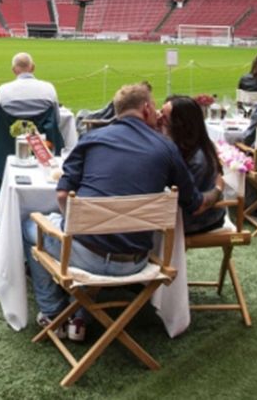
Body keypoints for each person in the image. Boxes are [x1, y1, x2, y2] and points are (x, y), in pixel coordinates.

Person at [22, 83, 219, 342]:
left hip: (86, 258)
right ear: (146, 108)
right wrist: (218, 190)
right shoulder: (166, 147)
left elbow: (61, 195)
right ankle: (79, 316)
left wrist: (74, 224)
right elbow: (194, 203)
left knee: (30, 224)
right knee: (89, 236)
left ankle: (53, 312)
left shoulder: (92, 138)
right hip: (136, 261)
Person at [161, 95, 227, 235]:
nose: (159, 118)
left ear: (179, 124)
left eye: (164, 117)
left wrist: (218, 189)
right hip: (183, 212)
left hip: (196, 221)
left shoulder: (197, 158)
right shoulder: (179, 145)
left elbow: (194, 207)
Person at [0, 52, 58, 117]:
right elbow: (55, 118)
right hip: (43, 124)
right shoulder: (49, 88)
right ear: (33, 68)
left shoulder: (3, 90)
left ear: (13, 70)